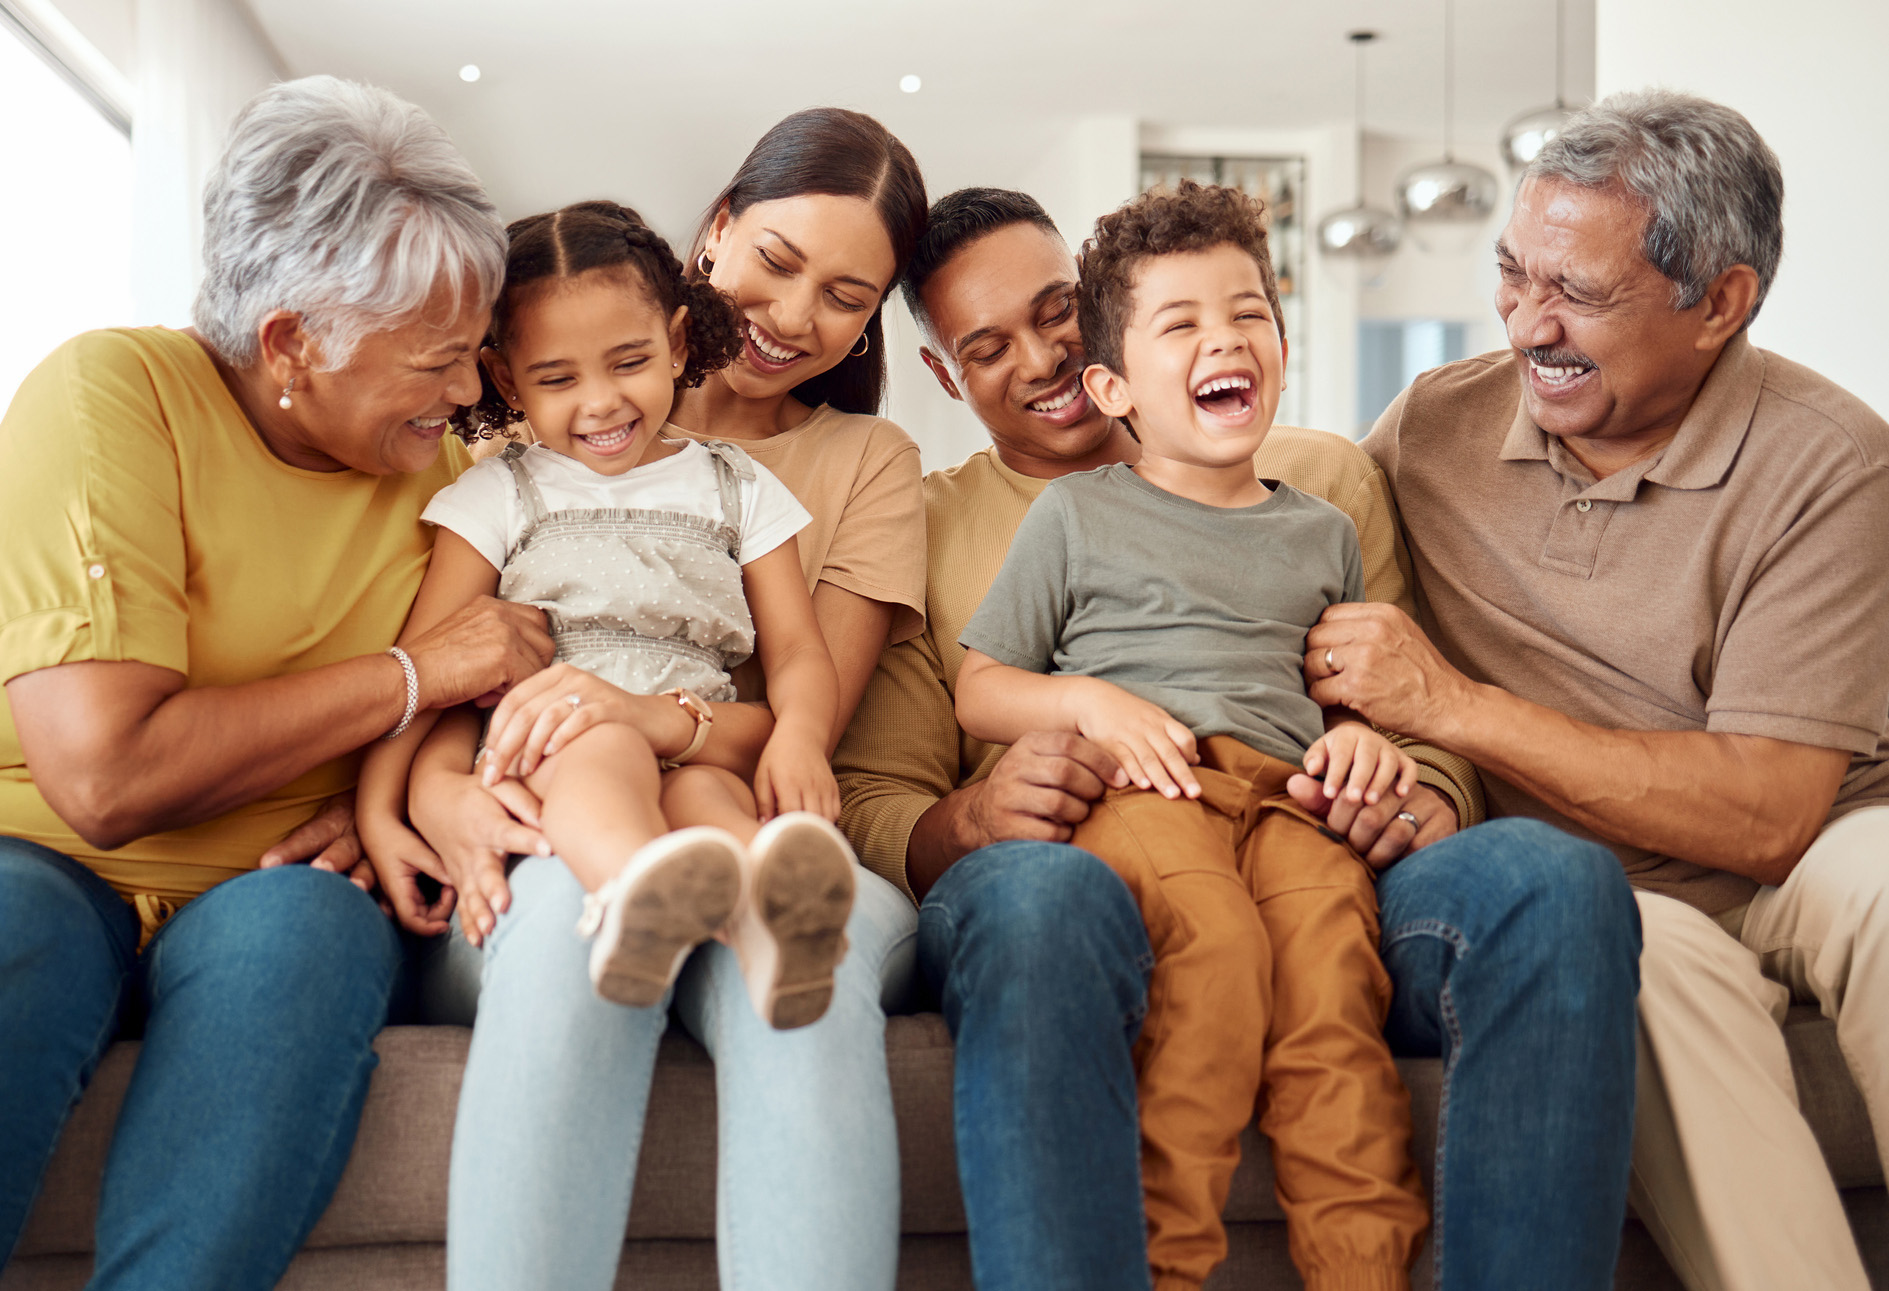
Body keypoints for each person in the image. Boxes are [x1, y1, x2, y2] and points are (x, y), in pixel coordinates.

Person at [834, 185, 1641, 1291]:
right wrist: (985, 806)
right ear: (945, 375)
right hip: (1102, 836)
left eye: (1055, 312)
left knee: (1451, 926)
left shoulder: (1321, 497)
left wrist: (1403, 781)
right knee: (1160, 935)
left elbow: (1398, 705)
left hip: (1293, 814)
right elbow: (888, 778)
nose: (1042, 358)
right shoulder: (945, 521)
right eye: (986, 346)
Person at [1308, 88, 1889, 1291]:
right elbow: (1274, 535)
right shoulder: (1431, 426)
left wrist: (1453, 707)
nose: (1528, 324)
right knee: (1632, 952)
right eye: (1512, 276)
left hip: (1807, 841)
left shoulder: (1830, 460)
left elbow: (1771, 814)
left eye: (1575, 294)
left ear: (1717, 302)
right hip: (1601, 884)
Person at [0, 76, 548, 1286]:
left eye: (476, 357)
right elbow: (103, 772)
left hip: (280, 889)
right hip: (46, 859)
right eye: (440, 361)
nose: (468, 395)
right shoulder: (112, 398)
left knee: (302, 931)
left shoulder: (453, 482)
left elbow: (482, 709)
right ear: (293, 342)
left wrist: (381, 798)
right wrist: (408, 675)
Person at [424, 111, 930, 1291]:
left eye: (847, 295)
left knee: (785, 919)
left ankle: (758, 912)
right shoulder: (509, 467)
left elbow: (790, 699)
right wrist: (427, 795)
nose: (798, 315)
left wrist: (684, 725)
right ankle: (635, 883)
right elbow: (435, 667)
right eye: (779, 261)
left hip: (709, 766)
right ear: (713, 238)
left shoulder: (801, 474)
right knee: (564, 915)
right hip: (550, 779)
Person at [952, 181, 1428, 1291]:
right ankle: (1168, 1266)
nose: (1226, 339)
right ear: (1111, 385)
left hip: (1292, 805)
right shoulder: (1074, 514)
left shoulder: (1323, 527)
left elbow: (1345, 696)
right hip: (1146, 797)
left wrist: (1367, 745)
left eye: (1248, 312)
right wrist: (1087, 703)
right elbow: (981, 689)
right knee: (1210, 954)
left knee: (1329, 997)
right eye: (1182, 325)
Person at [361, 200, 857, 1025]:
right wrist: (387, 805)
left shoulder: (738, 486)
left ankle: (777, 931)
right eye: (558, 379)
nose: (600, 403)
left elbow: (799, 651)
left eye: (628, 361)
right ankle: (630, 890)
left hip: (691, 741)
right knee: (606, 747)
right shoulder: (498, 492)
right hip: (551, 742)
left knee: (714, 810)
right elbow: (420, 667)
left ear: (678, 341)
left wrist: (801, 739)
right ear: (508, 377)